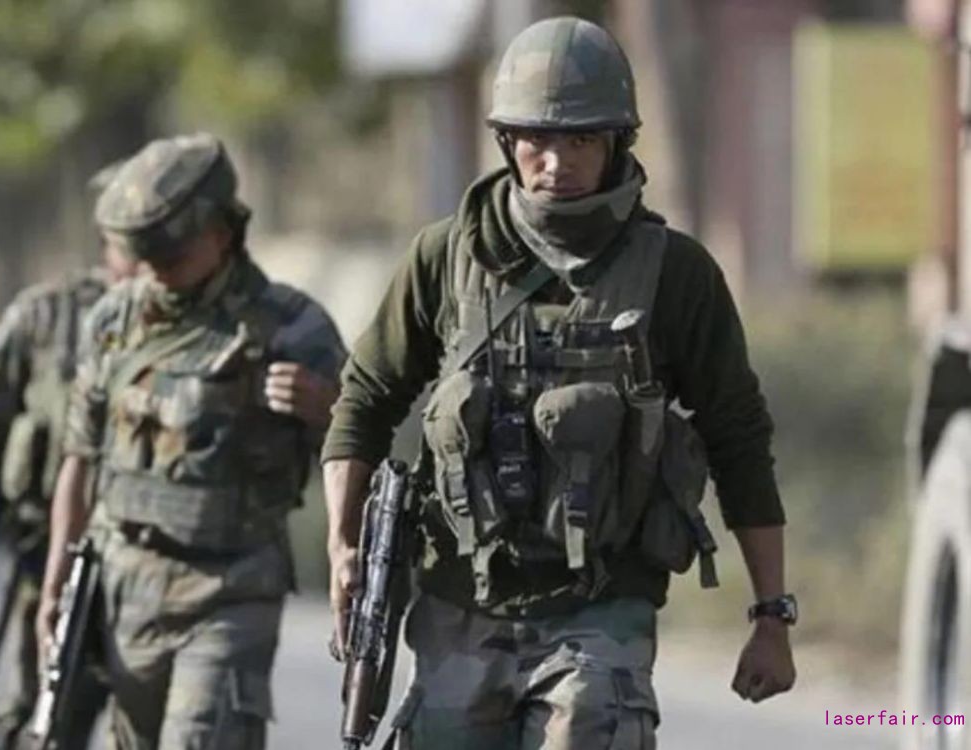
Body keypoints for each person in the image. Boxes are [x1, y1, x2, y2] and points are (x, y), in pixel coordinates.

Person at [322, 16, 797, 749]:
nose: (555, 162)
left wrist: (771, 613)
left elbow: (738, 439)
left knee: (591, 728)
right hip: (459, 604)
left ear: (617, 143)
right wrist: (341, 543)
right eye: (536, 139)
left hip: (601, 605)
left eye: (581, 140)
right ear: (506, 141)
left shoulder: (675, 274)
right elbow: (364, 400)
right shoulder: (444, 257)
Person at [36, 132, 346, 749]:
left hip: (230, 593)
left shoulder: (292, 327)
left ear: (222, 234)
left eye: (173, 257)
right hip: (126, 589)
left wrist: (329, 408)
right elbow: (81, 458)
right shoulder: (114, 321)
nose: (157, 272)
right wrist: (55, 583)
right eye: (147, 258)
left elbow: (357, 456)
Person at [0, 161, 135, 749]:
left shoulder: (206, 322)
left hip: (161, 579)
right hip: (51, 570)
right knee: (35, 729)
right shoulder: (46, 316)